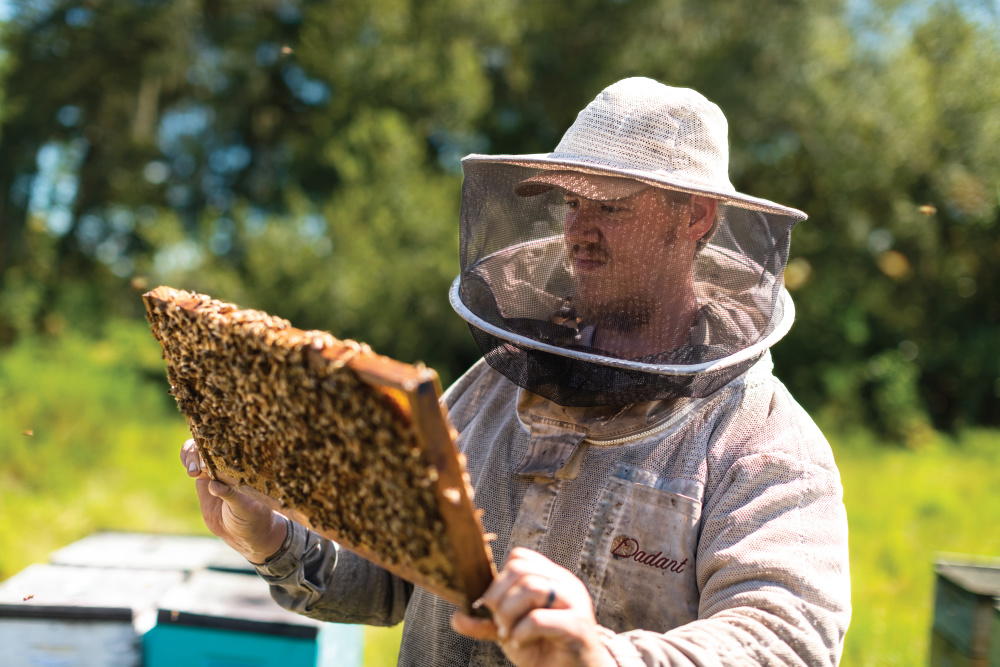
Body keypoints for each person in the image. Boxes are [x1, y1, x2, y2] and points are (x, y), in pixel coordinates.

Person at [181, 77, 851, 666]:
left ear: (695, 216)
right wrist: (267, 533)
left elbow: (786, 639)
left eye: (609, 205)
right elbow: (394, 578)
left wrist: (600, 657)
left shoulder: (762, 442)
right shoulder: (490, 387)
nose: (578, 231)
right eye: (570, 203)